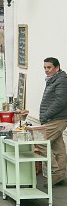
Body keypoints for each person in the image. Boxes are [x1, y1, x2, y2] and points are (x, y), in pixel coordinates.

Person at [39, 57, 67, 185]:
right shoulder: (53, 79)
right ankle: (61, 175)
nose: (46, 70)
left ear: (57, 67)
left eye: (49, 67)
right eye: (45, 67)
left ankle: (55, 172)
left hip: (56, 118)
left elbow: (61, 101)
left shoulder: (61, 80)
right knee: (58, 147)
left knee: (40, 142)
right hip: (55, 118)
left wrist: (45, 116)